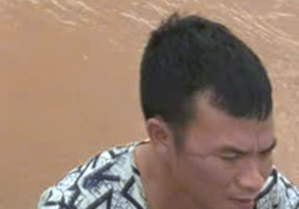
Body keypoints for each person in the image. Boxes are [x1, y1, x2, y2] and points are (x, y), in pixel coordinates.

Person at [38, 14, 299, 209]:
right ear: (162, 137)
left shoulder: (265, 193)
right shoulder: (81, 203)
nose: (255, 180)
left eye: (265, 152)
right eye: (230, 156)